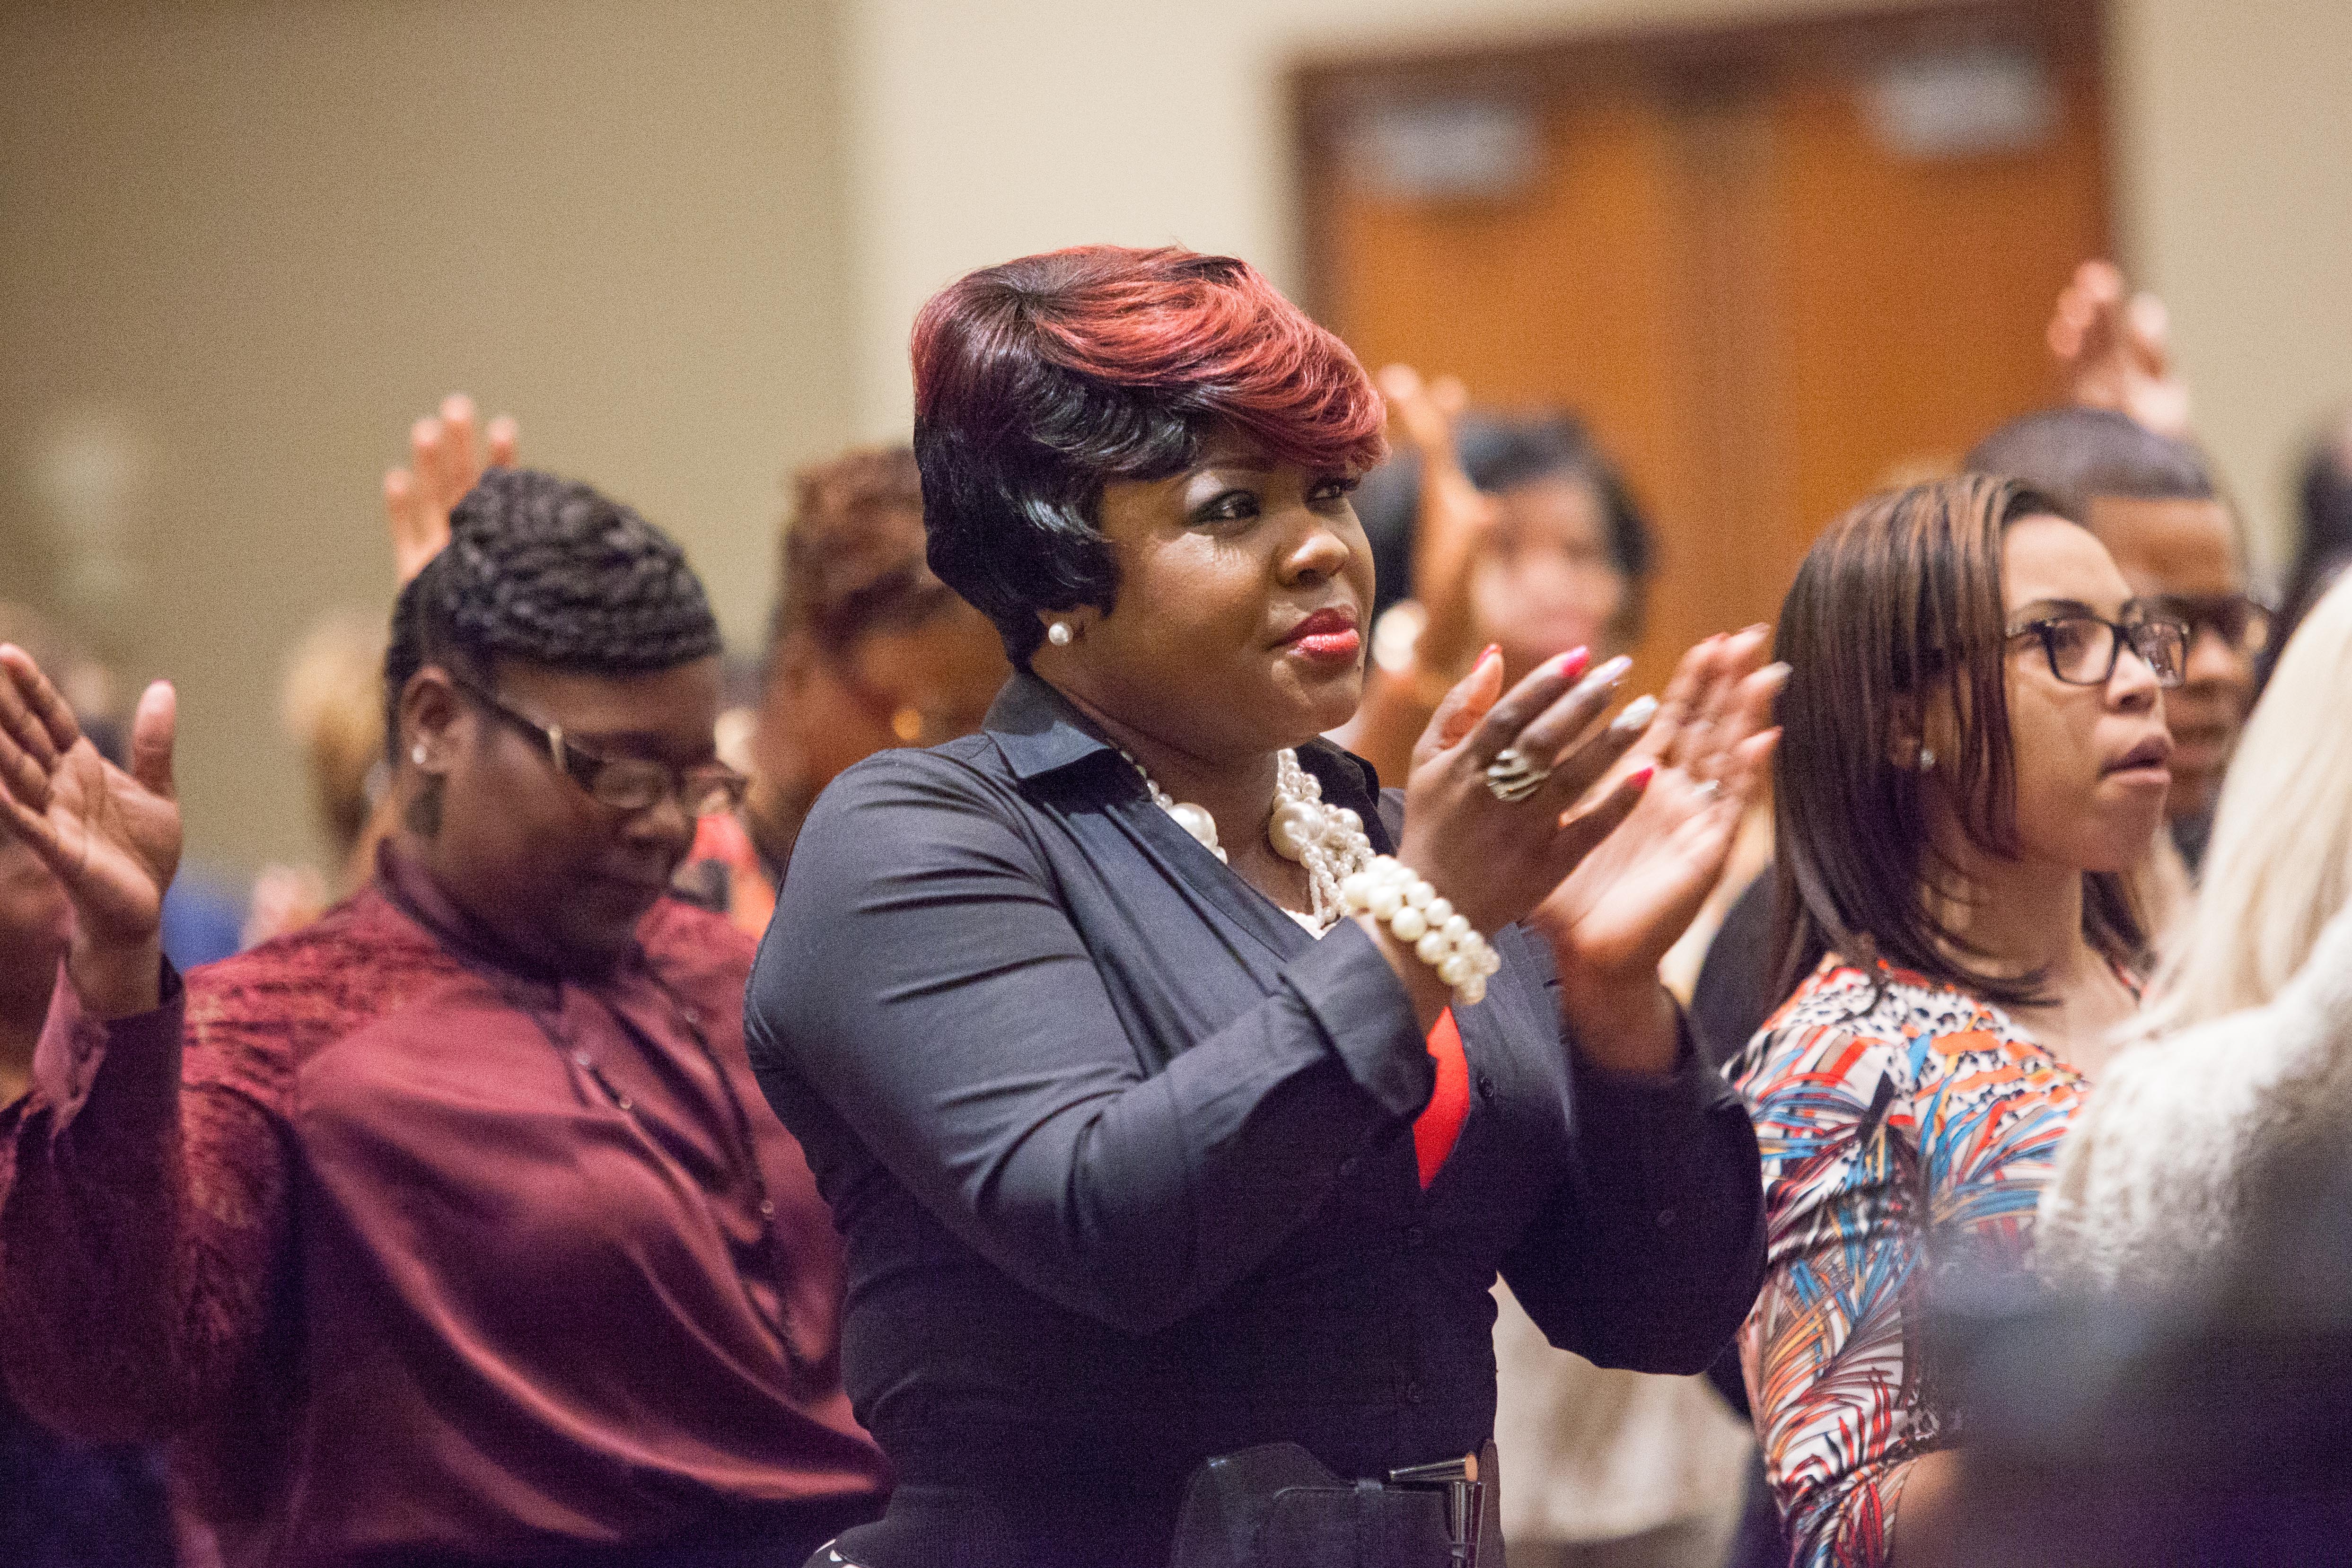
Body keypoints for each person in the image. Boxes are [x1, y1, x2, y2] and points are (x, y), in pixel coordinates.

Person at [745, 244, 1783, 1568]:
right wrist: (1418, 925)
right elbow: (1106, 1217)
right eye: (1233, 510)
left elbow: (1657, 1314)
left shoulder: (1394, 846)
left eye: (1333, 494)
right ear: (1056, 567)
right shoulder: (919, 839)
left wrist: (1619, 1000)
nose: (1320, 555)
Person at [0, 469, 889, 1567]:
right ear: (434, 722)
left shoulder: (745, 974)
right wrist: (119, 967)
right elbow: (108, 1371)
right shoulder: (279, 1034)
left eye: (696, 776)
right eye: (612, 771)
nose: (665, 825)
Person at [1732, 474, 2186, 1568]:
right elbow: (1843, 1521)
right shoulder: (1842, 1060)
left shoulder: (2182, 999)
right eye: (2062, 641)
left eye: (2135, 637)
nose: (2137, 684)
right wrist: (2162, 1408)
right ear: (1905, 718)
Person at [2036, 570, 2352, 1295]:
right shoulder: (2163, 1122)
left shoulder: (2163, 1062)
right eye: (2167, 620)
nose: (2151, 677)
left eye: (2233, 620)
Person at [1339, 365, 1655, 792]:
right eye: (1503, 548)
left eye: (1581, 552)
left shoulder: (1653, 776)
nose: (1551, 583)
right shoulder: (1327, 768)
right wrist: (1433, 659)